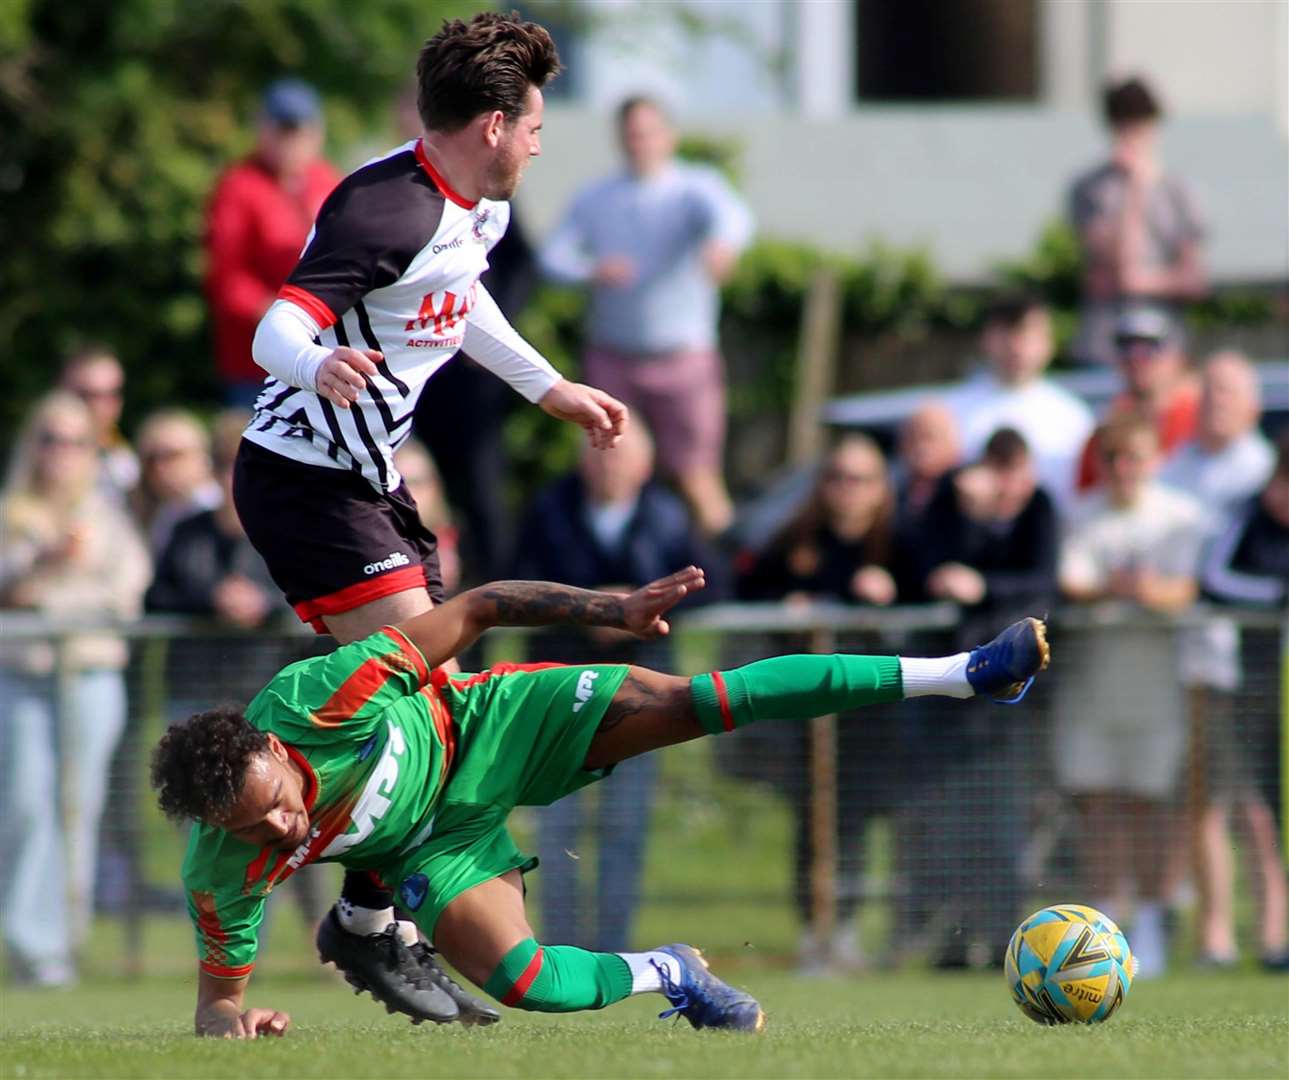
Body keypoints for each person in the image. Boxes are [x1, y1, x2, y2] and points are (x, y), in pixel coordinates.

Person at [150, 565, 1051, 1037]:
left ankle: (967, 674)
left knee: (695, 701)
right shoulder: (225, 863)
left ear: (272, 747)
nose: (279, 826)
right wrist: (235, 1027)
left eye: (273, 802)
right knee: (527, 984)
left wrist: (608, 607)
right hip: (433, 849)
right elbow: (213, 1003)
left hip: (492, 728)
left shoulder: (320, 699)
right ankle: (676, 971)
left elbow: (479, 605)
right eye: (252, 826)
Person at [233, 11, 628, 1023]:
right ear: (492, 124)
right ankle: (368, 921)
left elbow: (462, 298)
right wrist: (316, 359)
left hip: (370, 486)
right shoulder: (386, 208)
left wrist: (549, 390)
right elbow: (276, 326)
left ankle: (366, 913)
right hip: (305, 485)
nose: (541, 139)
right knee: (432, 713)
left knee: (422, 719)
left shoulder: (472, 208)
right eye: (534, 121)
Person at [513, 423, 719, 952]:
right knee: (557, 828)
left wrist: (637, 610)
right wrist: (589, 608)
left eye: (620, 456)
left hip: (638, 696)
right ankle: (557, 948)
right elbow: (515, 580)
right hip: (558, 693)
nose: (609, 464)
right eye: (598, 454)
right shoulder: (549, 511)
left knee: (624, 828)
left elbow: (709, 584)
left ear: (645, 465)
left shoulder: (668, 517)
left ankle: (613, 948)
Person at [539, 95, 754, 536]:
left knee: (697, 476)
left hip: (683, 359)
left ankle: (731, 581)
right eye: (632, 133)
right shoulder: (597, 196)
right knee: (609, 471)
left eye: (649, 132)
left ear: (669, 136)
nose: (641, 142)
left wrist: (722, 246)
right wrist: (592, 270)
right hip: (614, 356)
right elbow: (554, 257)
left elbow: (732, 217)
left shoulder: (694, 187)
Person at [0, 393, 151, 986]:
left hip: (88, 678)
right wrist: (44, 568)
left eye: (73, 441)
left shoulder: (106, 515)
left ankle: (59, 942)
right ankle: (28, 939)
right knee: (26, 804)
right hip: (25, 677)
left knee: (76, 807)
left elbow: (123, 596)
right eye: (49, 439)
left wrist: (46, 597)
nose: (59, 453)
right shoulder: (14, 511)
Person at [736, 435, 902, 972]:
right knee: (814, 822)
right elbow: (746, 583)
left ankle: (863, 929)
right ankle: (815, 930)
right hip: (809, 717)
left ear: (880, 488)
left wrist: (891, 594)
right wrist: (788, 606)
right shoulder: (797, 539)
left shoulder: (898, 542)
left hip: (876, 716)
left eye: (860, 479)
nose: (846, 491)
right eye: (837, 477)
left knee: (864, 819)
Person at [898, 427, 1059, 968]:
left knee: (1002, 825)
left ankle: (1001, 939)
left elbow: (1042, 583)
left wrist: (984, 588)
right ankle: (951, 938)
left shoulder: (1040, 510)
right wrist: (967, 518)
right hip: (951, 697)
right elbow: (922, 566)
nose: (1010, 487)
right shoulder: (951, 504)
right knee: (946, 824)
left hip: (1010, 703)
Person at [1055, 413, 1208, 978]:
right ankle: (1103, 923)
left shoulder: (1178, 516)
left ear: (1153, 460)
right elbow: (1072, 583)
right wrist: (1113, 590)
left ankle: (1151, 923)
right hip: (1092, 691)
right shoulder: (1081, 515)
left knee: (1151, 806)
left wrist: (1147, 592)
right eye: (1113, 458)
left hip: (1156, 693)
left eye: (1134, 458)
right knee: (1098, 806)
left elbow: (1186, 588)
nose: (1124, 470)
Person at [1194, 436, 1289, 971]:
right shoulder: (1248, 517)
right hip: (1247, 690)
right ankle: (1234, 937)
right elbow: (1214, 579)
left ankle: (1280, 936)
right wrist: (1277, 594)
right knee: (1248, 811)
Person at [205, 79, 342, 406]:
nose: (292, 141)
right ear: (262, 129)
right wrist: (279, 314)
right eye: (282, 129)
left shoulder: (327, 180)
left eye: (300, 130)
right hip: (258, 366)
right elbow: (226, 277)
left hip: (324, 356)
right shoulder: (239, 187)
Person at [1067, 75, 1206, 366]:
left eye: (1140, 126)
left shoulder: (1178, 191)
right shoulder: (1090, 189)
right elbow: (1116, 266)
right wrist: (1135, 191)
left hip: (1163, 341)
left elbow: (1193, 279)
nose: (1132, 136)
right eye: (1124, 126)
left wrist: (1144, 282)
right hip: (1105, 345)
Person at [945, 293, 1093, 508]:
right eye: (1005, 333)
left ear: (1048, 342)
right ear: (985, 339)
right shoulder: (950, 413)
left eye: (1026, 334)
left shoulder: (1073, 417)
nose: (1015, 346)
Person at [1076, 306, 1199, 492]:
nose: (1137, 359)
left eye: (1151, 347)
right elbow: (1088, 497)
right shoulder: (1106, 432)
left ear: (1178, 357)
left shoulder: (1200, 423)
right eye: (1126, 348)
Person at [1159, 350, 1274, 509]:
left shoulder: (1266, 470)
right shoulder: (1177, 461)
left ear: (1253, 408)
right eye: (1208, 392)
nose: (1217, 401)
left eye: (1227, 392)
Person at [130, 409, 222, 559]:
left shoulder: (221, 507)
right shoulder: (157, 511)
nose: (160, 467)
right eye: (151, 459)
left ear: (202, 456)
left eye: (172, 455)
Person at [58, 343, 138, 503]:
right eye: (87, 395)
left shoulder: (126, 463)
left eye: (112, 394)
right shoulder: (37, 458)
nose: (100, 406)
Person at [892, 403, 961, 531]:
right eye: (912, 437)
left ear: (952, 443)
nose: (920, 447)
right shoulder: (892, 494)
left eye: (929, 437)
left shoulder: (964, 494)